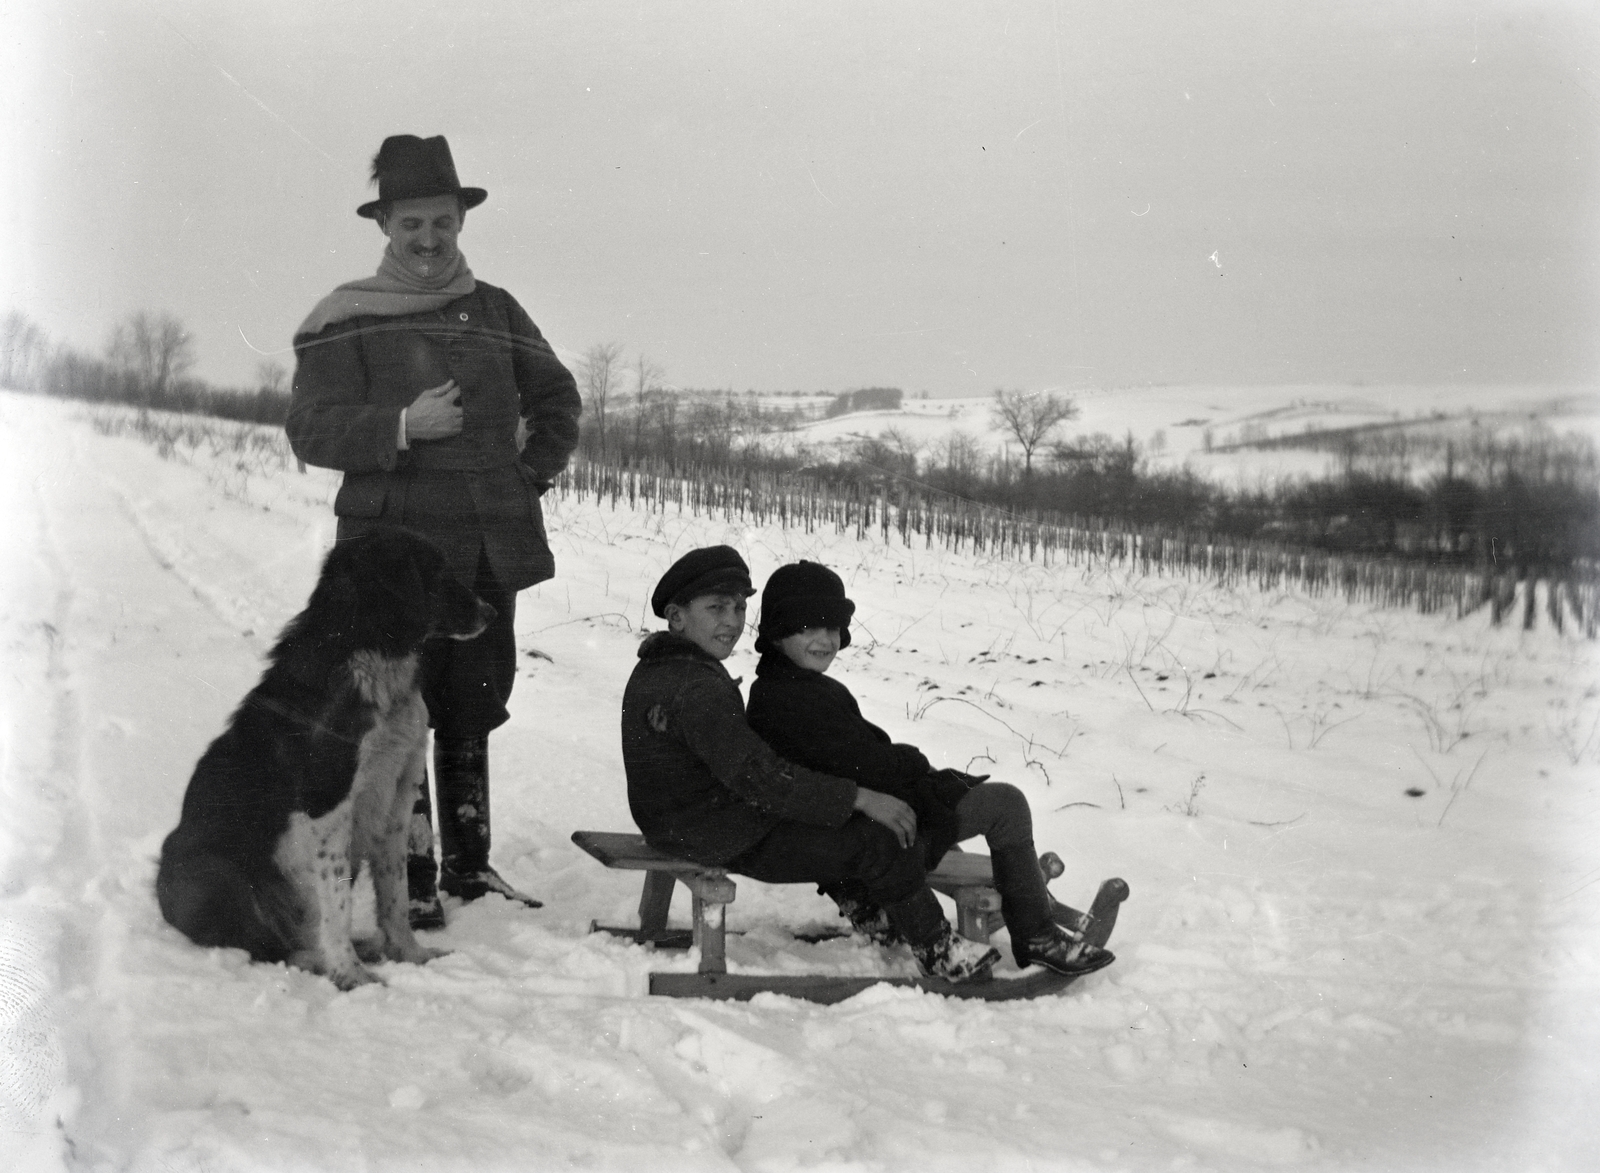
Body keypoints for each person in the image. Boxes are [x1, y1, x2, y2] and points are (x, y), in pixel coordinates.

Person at [287, 134, 583, 928]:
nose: (428, 240)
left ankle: (471, 866)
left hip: (484, 545)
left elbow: (559, 398)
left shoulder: (498, 310)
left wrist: (529, 475)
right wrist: (401, 424)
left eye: (442, 223)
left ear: (461, 221)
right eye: (411, 223)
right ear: (385, 223)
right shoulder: (344, 318)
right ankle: (407, 871)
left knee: (472, 698)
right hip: (388, 563)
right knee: (388, 710)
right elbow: (309, 429)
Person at [620, 546, 1003, 984]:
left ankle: (872, 911)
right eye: (716, 607)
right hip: (717, 832)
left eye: (740, 607)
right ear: (677, 616)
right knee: (876, 837)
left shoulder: (666, 667)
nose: (731, 621)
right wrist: (859, 797)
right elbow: (761, 779)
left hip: (681, 821)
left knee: (824, 817)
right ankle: (939, 950)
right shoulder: (696, 686)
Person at [744, 561, 1113, 977]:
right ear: (777, 630)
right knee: (1006, 804)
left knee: (962, 797)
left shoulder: (789, 689)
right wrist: (914, 762)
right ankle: (1036, 934)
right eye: (809, 627)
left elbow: (857, 759)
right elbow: (866, 767)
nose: (826, 640)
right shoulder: (789, 699)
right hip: (877, 826)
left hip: (866, 821)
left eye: (833, 629)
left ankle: (1023, 922)